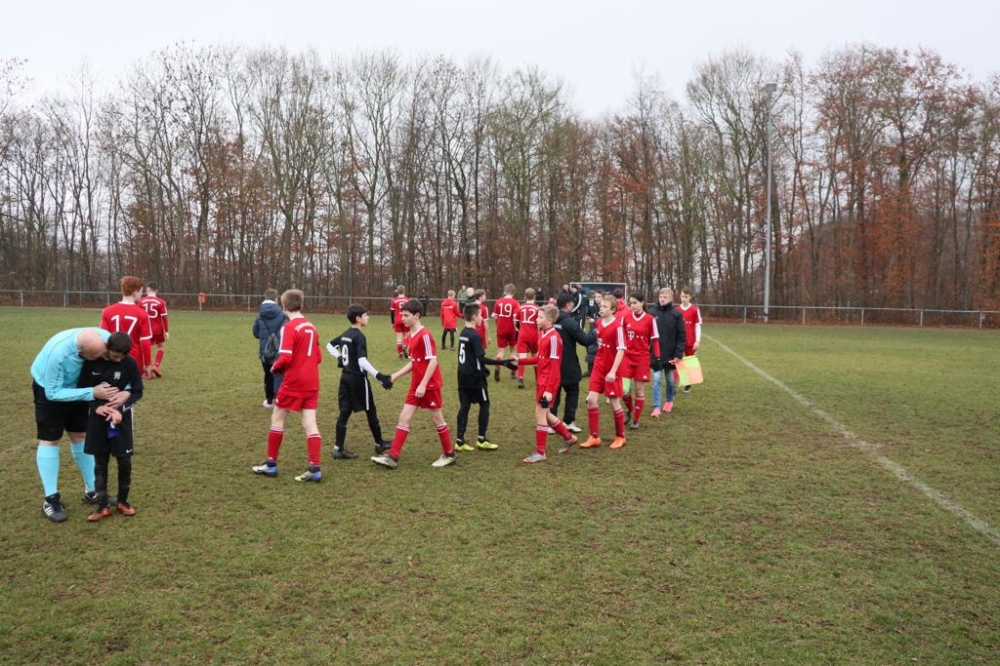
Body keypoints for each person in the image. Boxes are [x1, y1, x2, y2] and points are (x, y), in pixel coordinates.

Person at [31, 327, 123, 522]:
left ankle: (93, 491)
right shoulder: (57, 355)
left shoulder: (105, 339)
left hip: (82, 388)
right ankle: (51, 499)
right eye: (98, 356)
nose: (103, 357)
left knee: (80, 435)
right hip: (50, 389)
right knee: (50, 440)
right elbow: (53, 393)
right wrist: (92, 392)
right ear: (82, 353)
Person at [372, 299, 457, 469]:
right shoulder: (410, 337)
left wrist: (424, 384)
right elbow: (414, 363)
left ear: (417, 316)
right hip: (416, 385)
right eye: (401, 315)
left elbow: (433, 361)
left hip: (429, 386)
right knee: (404, 417)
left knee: (437, 419)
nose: (402, 318)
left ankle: (449, 454)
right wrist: (395, 376)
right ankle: (393, 457)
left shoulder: (425, 335)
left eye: (406, 315)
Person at [251, 289, 325, 482]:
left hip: (294, 382)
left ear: (283, 306)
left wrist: (275, 367)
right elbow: (318, 357)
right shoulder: (312, 326)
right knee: (310, 422)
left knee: (277, 417)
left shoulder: (290, 327)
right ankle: (315, 468)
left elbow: (285, 357)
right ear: (302, 304)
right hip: (312, 381)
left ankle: (271, 464)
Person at [79, 332, 144, 521]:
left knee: (124, 460)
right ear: (107, 348)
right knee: (101, 463)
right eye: (114, 356)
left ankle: (122, 501)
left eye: (121, 357)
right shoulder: (92, 363)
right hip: (98, 421)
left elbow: (137, 392)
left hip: (119, 421)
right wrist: (96, 407)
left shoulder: (129, 363)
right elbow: (83, 391)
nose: (118, 360)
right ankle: (102, 506)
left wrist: (120, 410)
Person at [327, 305, 394, 460]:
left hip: (345, 378)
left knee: (344, 411)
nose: (368, 317)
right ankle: (379, 444)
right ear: (358, 318)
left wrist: (339, 358)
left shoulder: (346, 334)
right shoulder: (359, 336)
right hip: (357, 379)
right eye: (365, 315)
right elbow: (362, 361)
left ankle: (338, 448)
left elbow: (329, 345)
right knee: (371, 409)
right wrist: (379, 376)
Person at [518, 305, 580, 463]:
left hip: (548, 382)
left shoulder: (554, 337)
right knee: (546, 414)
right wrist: (520, 361)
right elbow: (540, 359)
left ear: (550, 320)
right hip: (542, 379)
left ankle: (540, 452)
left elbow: (554, 365)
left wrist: (550, 389)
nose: (536, 319)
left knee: (540, 413)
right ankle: (569, 437)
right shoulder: (542, 334)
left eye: (539, 317)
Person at [454, 304, 516, 452]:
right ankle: (481, 439)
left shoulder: (463, 333)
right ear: (474, 317)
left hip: (462, 375)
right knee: (485, 404)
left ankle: (459, 441)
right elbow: (481, 359)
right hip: (475, 378)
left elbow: (470, 357)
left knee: (465, 406)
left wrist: (484, 369)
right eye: (481, 315)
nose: (482, 318)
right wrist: (504, 363)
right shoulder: (475, 336)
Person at [580, 295, 628, 450]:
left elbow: (621, 349)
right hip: (599, 367)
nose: (601, 308)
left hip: (612, 369)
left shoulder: (618, 326)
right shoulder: (599, 323)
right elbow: (600, 343)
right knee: (592, 400)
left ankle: (620, 436)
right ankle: (594, 436)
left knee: (614, 402)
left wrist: (613, 371)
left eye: (605, 306)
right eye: (601, 306)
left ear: (613, 310)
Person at [550, 292, 593, 434]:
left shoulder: (550, 320)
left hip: (551, 363)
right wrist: (595, 332)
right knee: (572, 392)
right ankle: (568, 421)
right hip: (568, 364)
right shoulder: (570, 322)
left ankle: (551, 422)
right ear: (568, 305)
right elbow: (585, 340)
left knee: (553, 393)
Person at [100, 275, 154, 379]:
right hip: (133, 361)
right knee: (130, 392)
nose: (141, 295)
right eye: (141, 291)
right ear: (135, 292)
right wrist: (147, 365)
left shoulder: (107, 311)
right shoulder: (142, 314)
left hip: (112, 359)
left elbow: (103, 337)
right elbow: (146, 343)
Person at [620, 294, 661, 429]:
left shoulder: (650, 319)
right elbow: (620, 337)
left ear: (642, 303)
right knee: (624, 390)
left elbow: (655, 340)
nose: (632, 305)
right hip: (626, 357)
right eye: (630, 303)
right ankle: (631, 410)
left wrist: (658, 357)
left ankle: (636, 420)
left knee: (639, 390)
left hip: (642, 358)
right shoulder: (625, 318)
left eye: (635, 303)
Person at [650, 287, 686, 417]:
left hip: (671, 354)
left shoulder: (676, 315)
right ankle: (656, 407)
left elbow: (681, 336)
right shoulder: (652, 313)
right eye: (660, 297)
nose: (662, 299)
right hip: (656, 354)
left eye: (665, 297)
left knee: (670, 380)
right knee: (656, 379)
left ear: (670, 298)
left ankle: (669, 400)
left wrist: (678, 354)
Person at [252, 289, 289, 408]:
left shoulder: (259, 315)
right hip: (280, 350)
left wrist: (265, 338)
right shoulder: (283, 315)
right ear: (276, 299)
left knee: (268, 375)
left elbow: (256, 332)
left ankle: (269, 400)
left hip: (265, 351)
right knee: (280, 375)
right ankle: (279, 399)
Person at [138, 281, 170, 377]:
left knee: (143, 348)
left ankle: (144, 369)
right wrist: (166, 331)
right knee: (160, 347)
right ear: (157, 290)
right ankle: (156, 366)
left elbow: (138, 316)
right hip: (157, 329)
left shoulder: (141, 301)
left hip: (144, 329)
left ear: (147, 289)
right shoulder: (161, 302)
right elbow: (164, 317)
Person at [491, 283, 519, 381]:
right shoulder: (515, 303)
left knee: (501, 351)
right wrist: (516, 328)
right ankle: (513, 372)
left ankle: (498, 366)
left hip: (501, 329)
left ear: (505, 291)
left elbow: (494, 316)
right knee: (513, 351)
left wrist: (498, 324)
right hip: (512, 330)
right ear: (513, 292)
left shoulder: (498, 301)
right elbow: (516, 317)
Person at [513, 287, 540, 389]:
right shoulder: (537, 308)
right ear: (534, 296)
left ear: (525, 296)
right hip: (534, 335)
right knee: (535, 357)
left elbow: (516, 321)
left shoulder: (521, 307)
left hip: (523, 335)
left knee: (522, 357)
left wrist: (518, 329)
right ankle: (538, 379)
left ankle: (520, 378)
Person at [679, 287, 703, 394]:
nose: (684, 299)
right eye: (682, 296)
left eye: (686, 297)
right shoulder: (676, 310)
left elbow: (697, 326)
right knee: (678, 362)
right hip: (679, 341)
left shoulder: (694, 310)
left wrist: (697, 341)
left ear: (690, 297)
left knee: (690, 363)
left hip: (690, 341)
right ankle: (679, 381)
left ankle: (688, 384)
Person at [390, 285, 410, 358]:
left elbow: (392, 313)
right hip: (406, 320)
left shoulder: (394, 300)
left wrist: (392, 322)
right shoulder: (408, 300)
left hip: (397, 320)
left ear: (397, 291)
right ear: (404, 291)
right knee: (406, 337)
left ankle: (400, 353)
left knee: (399, 337)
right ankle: (405, 348)